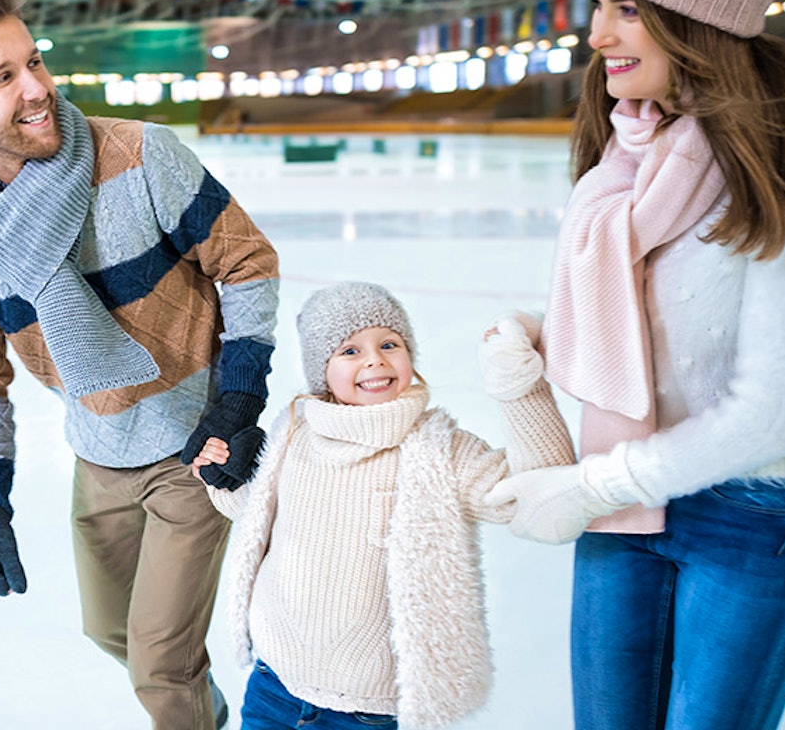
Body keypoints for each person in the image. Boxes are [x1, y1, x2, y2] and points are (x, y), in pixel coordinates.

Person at [0, 0, 280, 730]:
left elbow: (246, 263)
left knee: (159, 664)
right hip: (98, 451)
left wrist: (237, 401)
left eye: (35, 61)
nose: (38, 88)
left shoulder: (139, 156)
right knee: (110, 632)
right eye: (3, 77)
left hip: (193, 445)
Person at [483, 0, 785, 727]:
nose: (597, 37)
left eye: (625, 10)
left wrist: (594, 485)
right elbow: (650, 327)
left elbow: (778, 410)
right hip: (627, 508)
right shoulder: (633, 152)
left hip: (756, 516)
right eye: (601, 8)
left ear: (695, 20)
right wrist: (545, 332)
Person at [191, 282, 575, 730]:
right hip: (273, 685)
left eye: (389, 344)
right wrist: (222, 478)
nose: (374, 359)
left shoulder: (439, 450)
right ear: (322, 370)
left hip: (367, 710)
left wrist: (519, 386)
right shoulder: (295, 432)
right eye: (350, 350)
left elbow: (541, 493)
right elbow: (265, 519)